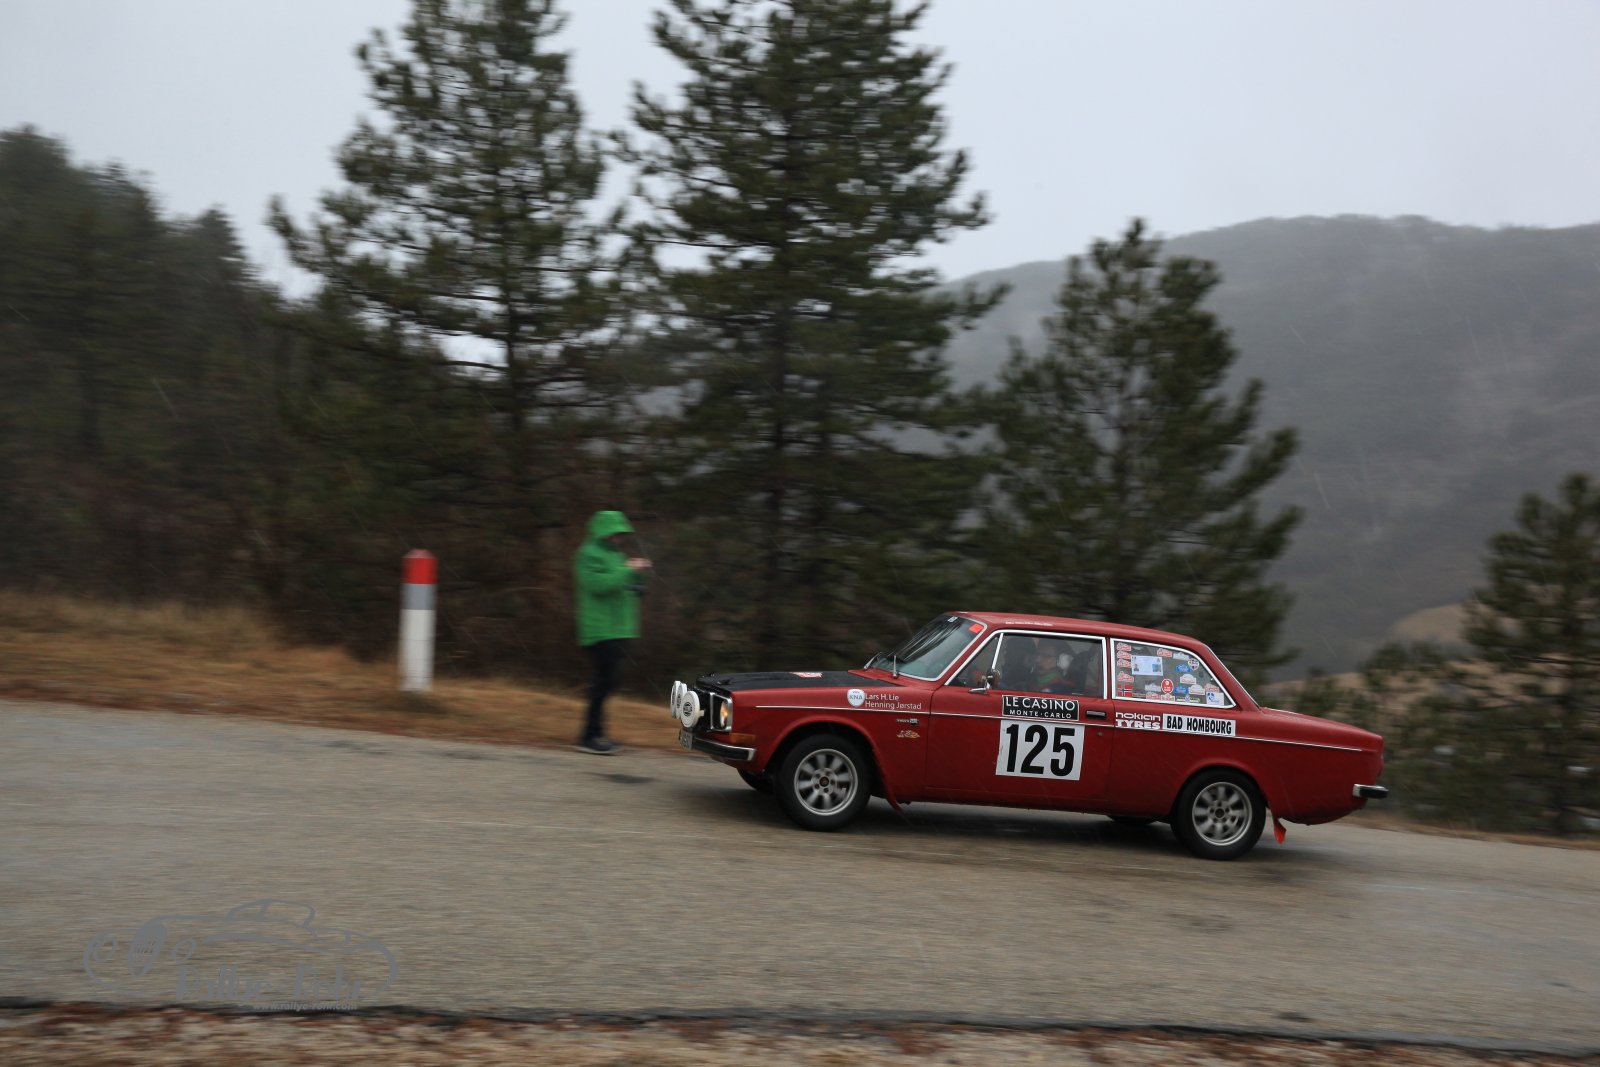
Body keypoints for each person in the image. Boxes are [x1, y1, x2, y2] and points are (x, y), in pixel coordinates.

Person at [572, 510, 651, 755]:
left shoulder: (616, 555)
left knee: (609, 682)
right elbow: (599, 586)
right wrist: (627, 569)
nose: (618, 537)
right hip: (600, 629)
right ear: (602, 531)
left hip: (619, 629)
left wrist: (639, 578)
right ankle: (589, 736)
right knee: (603, 682)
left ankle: (595, 734)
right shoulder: (588, 554)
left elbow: (624, 585)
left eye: (620, 533)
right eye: (614, 532)